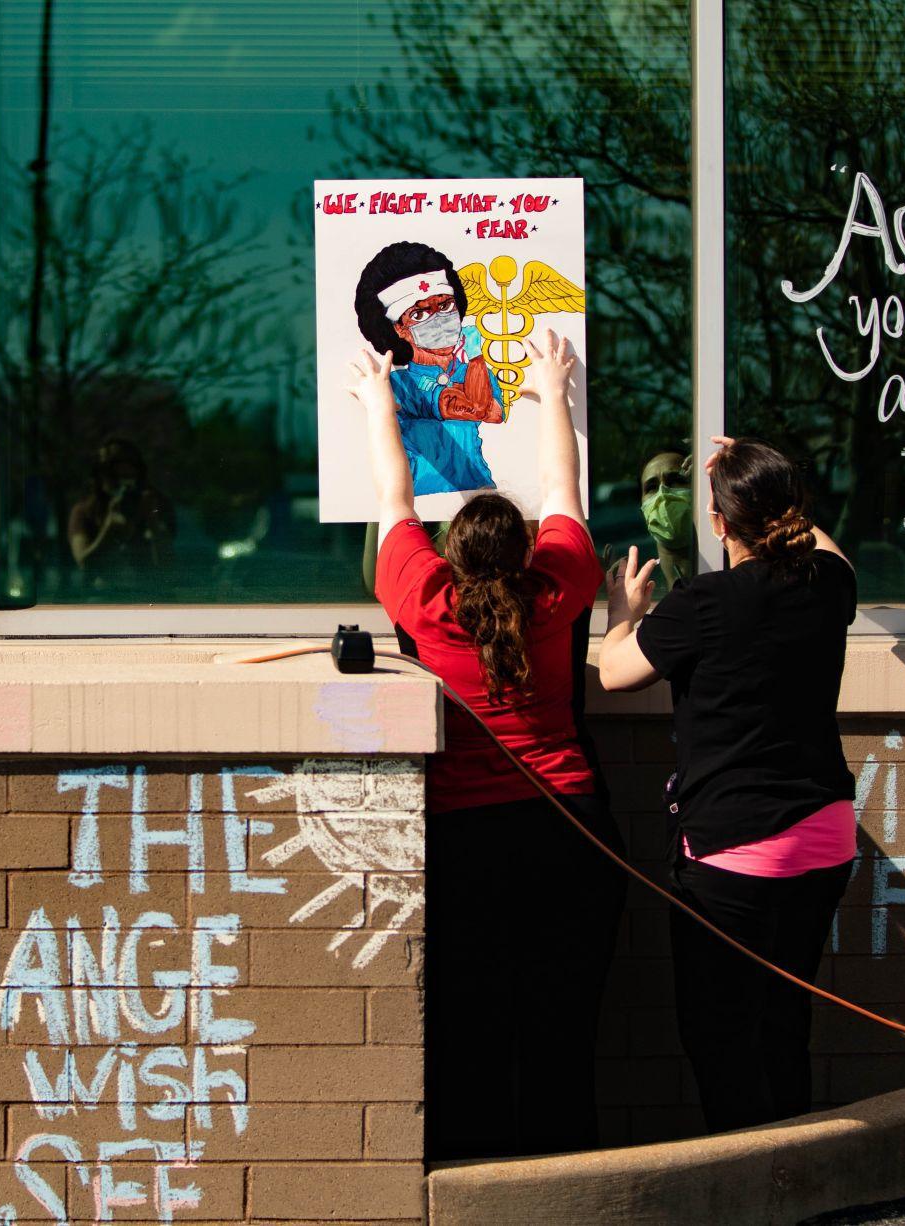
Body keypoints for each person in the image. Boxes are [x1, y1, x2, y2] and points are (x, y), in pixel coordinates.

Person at [349, 329, 625, 1162]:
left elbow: (394, 494)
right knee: (561, 1030)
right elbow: (562, 485)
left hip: (464, 844)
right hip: (570, 832)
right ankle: (564, 1183)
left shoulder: (425, 598)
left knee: (468, 1027)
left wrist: (379, 401)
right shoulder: (558, 586)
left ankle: (475, 1179)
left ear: (451, 554)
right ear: (525, 549)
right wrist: (550, 389)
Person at [598, 435, 857, 1132]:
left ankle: (749, 1172)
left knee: (720, 1035)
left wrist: (623, 614)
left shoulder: (703, 602)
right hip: (826, 837)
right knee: (784, 1016)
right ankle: (794, 1159)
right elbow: (832, 553)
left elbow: (614, 674)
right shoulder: (826, 586)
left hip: (735, 850)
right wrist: (763, 467)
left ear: (717, 523)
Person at [355, 241, 504, 497]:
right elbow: (474, 408)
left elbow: (494, 413)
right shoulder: (400, 385)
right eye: (419, 315)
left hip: (480, 498)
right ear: (399, 328)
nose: (439, 319)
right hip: (421, 503)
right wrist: (476, 355)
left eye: (445, 306)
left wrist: (474, 364)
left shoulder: (474, 371)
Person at [66, 437, 175, 590]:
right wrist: (108, 531)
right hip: (104, 596)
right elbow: (84, 562)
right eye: (112, 470)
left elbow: (168, 566)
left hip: (149, 594)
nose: (122, 475)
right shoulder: (85, 511)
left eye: (129, 470)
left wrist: (152, 521)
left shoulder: (155, 504)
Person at [639, 449, 695, 595]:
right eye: (652, 487)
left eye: (675, 481)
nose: (663, 494)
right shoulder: (641, 584)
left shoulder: (724, 567)